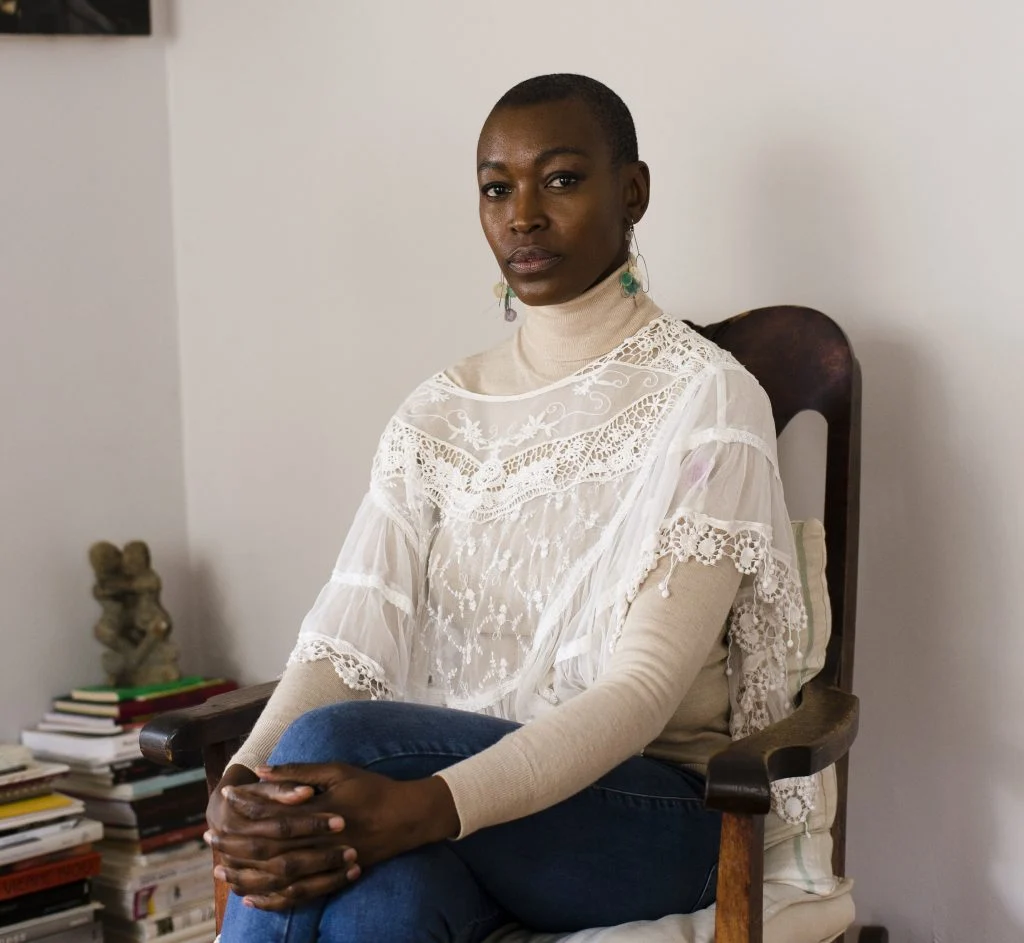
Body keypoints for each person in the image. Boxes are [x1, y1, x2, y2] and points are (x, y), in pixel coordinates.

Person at [209, 73, 805, 943]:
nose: (523, 214)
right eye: (497, 188)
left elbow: (639, 692)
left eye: (560, 179)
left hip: (649, 820)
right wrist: (240, 785)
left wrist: (424, 807)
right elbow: (344, 641)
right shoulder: (437, 412)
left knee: (335, 741)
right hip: (472, 824)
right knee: (384, 903)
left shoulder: (709, 400)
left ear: (631, 192)